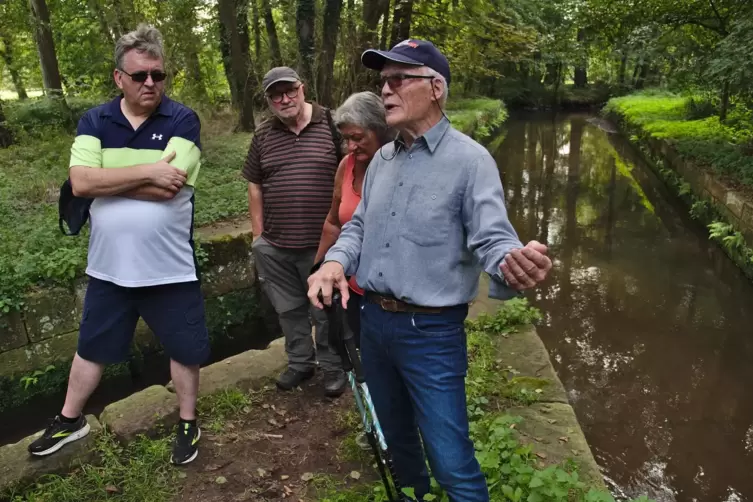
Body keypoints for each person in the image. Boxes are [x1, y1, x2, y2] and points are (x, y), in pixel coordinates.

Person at [306, 39, 553, 501]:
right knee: (396, 441)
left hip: (431, 333)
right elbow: (357, 224)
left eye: (398, 79)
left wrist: (511, 263)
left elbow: (492, 237)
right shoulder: (381, 159)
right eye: (382, 81)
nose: (386, 90)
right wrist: (335, 262)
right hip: (373, 324)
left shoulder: (470, 160)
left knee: (451, 458)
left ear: (435, 88)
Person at [28, 24, 209, 466]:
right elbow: (80, 181)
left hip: (170, 269)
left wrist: (103, 180)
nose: (151, 83)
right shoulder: (96, 120)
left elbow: (171, 186)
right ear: (118, 78)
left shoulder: (182, 119)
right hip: (109, 269)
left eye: (158, 75)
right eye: (140, 76)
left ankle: (188, 420)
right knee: (91, 346)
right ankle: (71, 419)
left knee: (185, 351)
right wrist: (146, 171)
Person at [242, 67, 346, 397]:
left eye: (290, 91)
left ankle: (333, 367)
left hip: (322, 245)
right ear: (268, 100)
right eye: (276, 95)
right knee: (288, 310)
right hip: (275, 245)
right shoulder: (263, 135)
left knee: (326, 311)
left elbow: (352, 174)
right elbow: (254, 185)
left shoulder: (332, 124)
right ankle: (301, 363)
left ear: (302, 88)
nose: (285, 99)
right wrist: (258, 236)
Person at [313, 91, 394, 346]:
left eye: (358, 138)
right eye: (346, 138)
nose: (350, 146)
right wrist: (318, 267)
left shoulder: (400, 166)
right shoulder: (346, 166)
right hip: (353, 288)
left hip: (391, 294)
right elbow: (334, 222)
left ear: (380, 130)